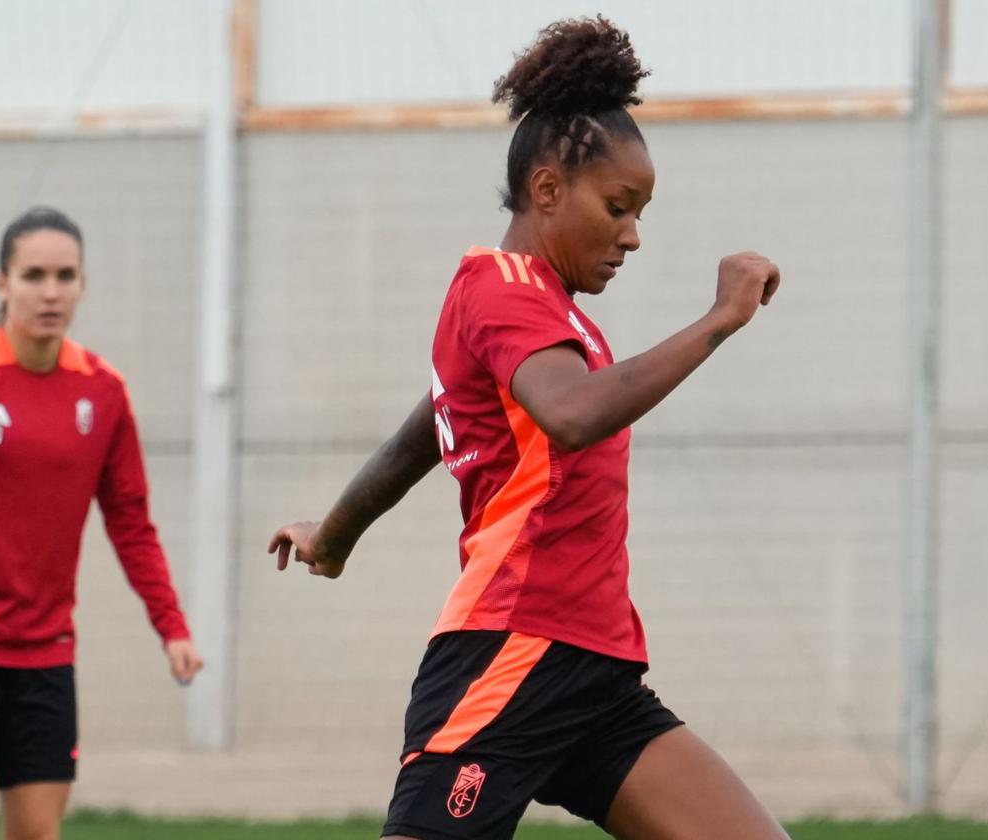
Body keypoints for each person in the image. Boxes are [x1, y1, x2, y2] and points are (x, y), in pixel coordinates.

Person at [269, 17, 788, 840]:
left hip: (593, 673)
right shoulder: (504, 290)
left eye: (640, 211)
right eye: (619, 207)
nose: (633, 234)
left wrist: (332, 534)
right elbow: (574, 416)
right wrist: (718, 321)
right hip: (513, 650)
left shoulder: (548, 317)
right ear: (547, 191)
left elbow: (422, 434)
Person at [0, 206, 203, 840]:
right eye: (32, 275)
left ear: (83, 284)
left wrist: (172, 626)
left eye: (65, 275)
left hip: (47, 649)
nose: (49, 291)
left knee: (36, 834)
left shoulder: (104, 391)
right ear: (2, 284)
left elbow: (131, 523)